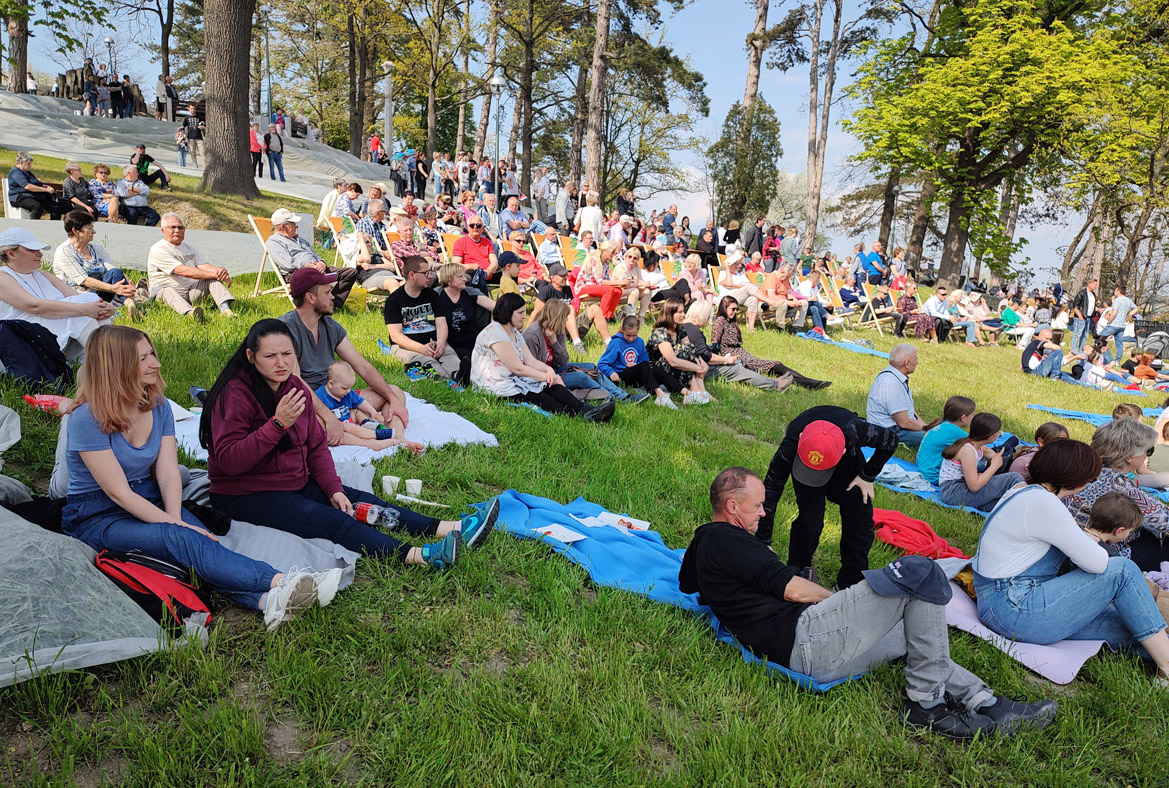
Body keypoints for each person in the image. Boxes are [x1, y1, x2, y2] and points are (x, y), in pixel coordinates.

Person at [681, 467, 1058, 740]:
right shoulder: (725, 540)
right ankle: (925, 706)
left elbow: (686, 583)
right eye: (758, 506)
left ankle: (988, 703)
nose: (764, 513)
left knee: (913, 629)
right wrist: (844, 603)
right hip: (806, 638)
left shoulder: (705, 543)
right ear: (732, 507)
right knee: (919, 572)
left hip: (812, 655)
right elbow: (793, 590)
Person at [62, 325, 331, 631]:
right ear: (117, 365)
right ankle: (282, 580)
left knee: (207, 545)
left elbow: (166, 472)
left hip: (149, 497)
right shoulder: (86, 418)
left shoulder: (158, 405)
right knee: (183, 539)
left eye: (153, 354)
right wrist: (175, 526)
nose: (156, 363)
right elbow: (118, 494)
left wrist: (176, 515)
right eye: (144, 358)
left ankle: (266, 602)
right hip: (98, 515)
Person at [201, 319, 494, 571]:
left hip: (293, 480)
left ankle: (453, 528)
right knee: (333, 521)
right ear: (251, 357)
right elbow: (228, 460)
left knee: (362, 502)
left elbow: (316, 447)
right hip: (245, 493)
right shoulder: (235, 394)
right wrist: (277, 425)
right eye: (270, 356)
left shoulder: (294, 386)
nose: (281, 363)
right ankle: (420, 556)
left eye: (287, 354)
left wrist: (333, 488)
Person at [972, 441, 1169, 688]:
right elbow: (1098, 563)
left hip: (1005, 605)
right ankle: (1167, 668)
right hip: (1015, 609)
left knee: (1136, 622)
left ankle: (1162, 653)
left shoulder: (1024, 490)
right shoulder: (1043, 503)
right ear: (1074, 478)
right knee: (1123, 570)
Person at [759, 405, 898, 590]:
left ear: (842, 451)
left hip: (848, 466)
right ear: (801, 441)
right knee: (810, 521)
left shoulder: (856, 431)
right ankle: (797, 574)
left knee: (860, 521)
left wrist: (867, 475)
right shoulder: (792, 442)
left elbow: (891, 441)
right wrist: (763, 540)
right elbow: (771, 490)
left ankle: (849, 583)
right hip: (804, 461)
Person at [279, 269, 411, 440]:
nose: (333, 296)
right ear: (310, 298)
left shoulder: (329, 325)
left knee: (395, 393)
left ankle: (398, 440)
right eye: (327, 292)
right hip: (310, 404)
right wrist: (328, 417)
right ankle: (353, 423)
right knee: (310, 425)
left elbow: (362, 366)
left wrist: (392, 400)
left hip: (336, 395)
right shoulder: (285, 330)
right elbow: (297, 385)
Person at [471, 293, 615, 421]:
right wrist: (545, 376)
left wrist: (549, 371)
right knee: (540, 395)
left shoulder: (514, 332)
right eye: (520, 313)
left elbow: (530, 360)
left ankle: (585, 409)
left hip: (513, 379)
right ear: (508, 313)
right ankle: (579, 415)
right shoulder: (495, 333)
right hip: (496, 384)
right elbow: (519, 368)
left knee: (550, 385)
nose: (524, 316)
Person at [1064, 418, 1169, 571]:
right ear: (1129, 457)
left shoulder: (1087, 472)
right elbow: (1162, 522)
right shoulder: (1119, 486)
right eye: (1149, 450)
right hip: (1109, 556)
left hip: (1076, 549)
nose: (1148, 456)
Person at [0, 227, 113, 359]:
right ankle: (108, 365)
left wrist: (103, 307)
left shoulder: (41, 274)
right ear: (10, 253)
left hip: (52, 334)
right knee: (80, 315)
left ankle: (110, 362)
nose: (40, 254)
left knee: (90, 302)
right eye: (32, 250)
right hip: (26, 341)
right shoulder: (3, 277)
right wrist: (85, 309)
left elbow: (77, 297)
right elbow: (35, 307)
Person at [523, 299, 630, 403]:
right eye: (565, 318)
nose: (566, 321)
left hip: (556, 368)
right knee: (581, 378)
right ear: (557, 318)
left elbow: (563, 361)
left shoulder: (557, 330)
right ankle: (610, 396)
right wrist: (553, 375)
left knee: (591, 367)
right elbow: (531, 367)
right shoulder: (532, 335)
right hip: (545, 376)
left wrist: (554, 342)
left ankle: (621, 394)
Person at [710, 296, 830, 389]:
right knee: (773, 364)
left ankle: (806, 381)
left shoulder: (731, 322)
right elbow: (715, 343)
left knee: (772, 366)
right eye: (732, 309)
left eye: (736, 309)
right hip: (734, 355)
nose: (735, 311)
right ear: (724, 308)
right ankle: (808, 382)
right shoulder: (720, 321)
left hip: (741, 352)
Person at [680, 300, 789, 392]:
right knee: (735, 368)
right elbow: (706, 356)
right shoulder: (694, 331)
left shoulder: (682, 325)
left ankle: (769, 381)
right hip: (693, 370)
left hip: (683, 366)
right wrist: (726, 360)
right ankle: (774, 385)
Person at [314, 361, 423, 452]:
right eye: (345, 388)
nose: (348, 391)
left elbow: (361, 402)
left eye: (349, 388)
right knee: (349, 428)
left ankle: (398, 439)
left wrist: (373, 412)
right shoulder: (319, 396)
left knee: (392, 393)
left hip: (348, 418)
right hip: (338, 426)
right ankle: (376, 438)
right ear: (331, 384)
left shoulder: (346, 392)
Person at [384, 255, 463, 379]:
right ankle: (444, 380)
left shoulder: (432, 295)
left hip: (433, 342)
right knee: (427, 362)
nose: (430, 276)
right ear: (412, 275)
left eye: (429, 272)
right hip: (407, 347)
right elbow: (396, 336)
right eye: (425, 273)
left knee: (450, 356)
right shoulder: (394, 300)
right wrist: (421, 348)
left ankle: (459, 375)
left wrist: (441, 344)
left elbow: (441, 323)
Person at [147, 213, 235, 320]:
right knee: (167, 291)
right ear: (163, 230)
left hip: (191, 292)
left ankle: (225, 310)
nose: (177, 230)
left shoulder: (189, 248)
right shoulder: (158, 249)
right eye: (172, 227)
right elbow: (183, 271)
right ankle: (190, 313)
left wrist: (220, 271)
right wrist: (214, 274)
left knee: (212, 279)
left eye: (180, 228)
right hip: (165, 292)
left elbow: (204, 266)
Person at [266, 208, 358, 309]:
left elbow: (316, 255)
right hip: (298, 273)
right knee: (315, 276)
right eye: (293, 224)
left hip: (317, 269)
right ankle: (321, 306)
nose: (297, 226)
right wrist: (309, 266)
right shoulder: (274, 242)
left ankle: (333, 305)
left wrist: (322, 263)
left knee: (351, 273)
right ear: (283, 226)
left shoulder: (300, 240)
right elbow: (287, 263)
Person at [52, 211, 140, 314]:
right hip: (78, 297)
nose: (94, 232)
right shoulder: (64, 251)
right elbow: (84, 280)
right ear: (75, 230)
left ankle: (130, 304)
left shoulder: (97, 250)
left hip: (100, 294)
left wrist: (128, 285)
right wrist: (113, 288)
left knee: (115, 272)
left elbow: (113, 269)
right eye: (89, 228)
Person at [937, 412, 1024, 511]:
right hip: (953, 491)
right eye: (998, 432)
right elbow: (974, 486)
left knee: (1002, 504)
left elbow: (991, 456)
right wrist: (994, 465)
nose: (999, 434)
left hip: (958, 488)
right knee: (1014, 478)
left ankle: (1021, 509)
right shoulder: (967, 450)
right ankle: (1027, 502)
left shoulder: (976, 445)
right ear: (990, 437)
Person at [526, 263, 610, 352]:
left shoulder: (567, 289)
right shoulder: (546, 291)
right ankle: (577, 343)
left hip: (568, 327)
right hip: (554, 329)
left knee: (595, 308)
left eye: (565, 275)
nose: (565, 277)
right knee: (569, 308)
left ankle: (609, 342)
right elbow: (536, 313)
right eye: (562, 275)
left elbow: (573, 315)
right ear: (553, 278)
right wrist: (526, 334)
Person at [647, 300, 712, 405]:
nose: (684, 315)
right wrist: (697, 368)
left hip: (675, 367)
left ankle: (700, 389)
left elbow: (691, 351)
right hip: (658, 370)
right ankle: (695, 390)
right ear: (670, 314)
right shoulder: (660, 332)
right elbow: (673, 361)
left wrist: (703, 364)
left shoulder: (680, 329)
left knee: (687, 348)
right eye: (680, 312)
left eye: (683, 311)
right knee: (683, 351)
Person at [866, 344, 930, 448]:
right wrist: (928, 430)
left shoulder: (895, 377)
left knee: (937, 436)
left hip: (896, 428)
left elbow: (910, 412)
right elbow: (904, 422)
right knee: (938, 441)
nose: (917, 362)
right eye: (916, 359)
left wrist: (926, 427)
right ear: (907, 363)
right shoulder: (891, 383)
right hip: (888, 433)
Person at [917, 396, 976, 486]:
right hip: (933, 476)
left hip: (924, 470)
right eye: (972, 416)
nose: (974, 418)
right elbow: (979, 446)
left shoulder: (942, 424)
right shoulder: (955, 431)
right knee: (978, 463)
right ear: (963, 418)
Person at [7, 152, 69, 219]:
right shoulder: (15, 172)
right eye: (28, 164)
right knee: (37, 206)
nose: (30, 166)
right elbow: (27, 186)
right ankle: (32, 226)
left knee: (55, 207)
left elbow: (37, 183)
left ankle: (52, 226)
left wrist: (46, 186)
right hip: (19, 197)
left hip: (32, 196)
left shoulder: (27, 172)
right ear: (21, 162)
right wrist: (45, 190)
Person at [452, 213, 499, 291]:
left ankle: (511, 301)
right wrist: (471, 266)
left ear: (482, 228)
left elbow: (494, 262)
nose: (475, 227)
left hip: (487, 274)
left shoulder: (487, 242)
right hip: (471, 275)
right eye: (472, 225)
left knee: (510, 272)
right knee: (472, 275)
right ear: (468, 227)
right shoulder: (460, 242)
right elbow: (456, 265)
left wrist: (487, 271)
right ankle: (481, 300)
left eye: (478, 225)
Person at [1099, 285, 1139, 362]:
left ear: (1117, 290)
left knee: (1100, 338)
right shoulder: (1128, 300)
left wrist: (1109, 322)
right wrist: (1129, 314)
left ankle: (1105, 357)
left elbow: (1114, 313)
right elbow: (1136, 309)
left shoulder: (1118, 300)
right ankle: (1117, 361)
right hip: (1122, 325)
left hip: (1114, 324)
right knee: (1119, 344)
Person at [1070, 278, 1098, 354]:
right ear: (1090, 284)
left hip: (1088, 317)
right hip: (1081, 317)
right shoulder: (1081, 293)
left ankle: (1081, 350)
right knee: (1077, 334)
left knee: (1085, 335)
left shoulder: (1093, 295)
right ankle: (1073, 350)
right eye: (1095, 285)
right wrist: (1080, 316)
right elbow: (1075, 306)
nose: (1096, 287)